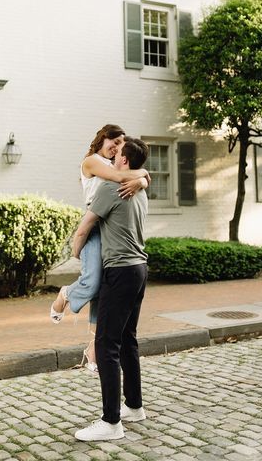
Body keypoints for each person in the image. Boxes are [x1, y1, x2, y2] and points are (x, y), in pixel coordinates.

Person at [50, 124, 149, 372]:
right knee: (92, 283)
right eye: (113, 143)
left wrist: (142, 181)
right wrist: (142, 177)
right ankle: (67, 294)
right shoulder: (91, 162)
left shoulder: (117, 164)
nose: (115, 149)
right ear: (102, 139)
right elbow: (118, 177)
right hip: (94, 225)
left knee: (104, 291)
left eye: (119, 145)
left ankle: (93, 348)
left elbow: (131, 175)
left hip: (110, 226)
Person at [72, 137, 149, 442]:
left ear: (125, 162)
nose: (113, 158)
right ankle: (134, 405)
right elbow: (141, 178)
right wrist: (141, 179)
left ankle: (111, 421)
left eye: (118, 155)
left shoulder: (111, 188)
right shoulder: (140, 190)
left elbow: (85, 226)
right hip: (140, 269)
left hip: (119, 272)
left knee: (106, 345)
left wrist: (77, 252)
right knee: (127, 339)